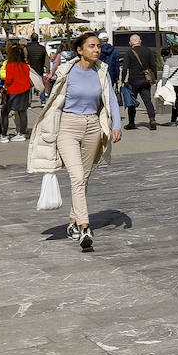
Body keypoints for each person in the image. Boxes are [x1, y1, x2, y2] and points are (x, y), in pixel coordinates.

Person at [28, 31, 123, 251]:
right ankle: (84, 227)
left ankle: (72, 221)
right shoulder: (66, 70)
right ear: (79, 50)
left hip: (92, 126)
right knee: (77, 176)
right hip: (67, 127)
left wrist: (116, 125)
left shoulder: (102, 70)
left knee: (85, 177)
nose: (96, 50)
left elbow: (110, 99)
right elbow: (51, 98)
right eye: (91, 46)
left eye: (98, 46)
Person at [121, 34, 159, 131]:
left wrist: (122, 80)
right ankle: (152, 119)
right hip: (145, 80)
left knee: (132, 102)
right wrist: (154, 78)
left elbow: (125, 68)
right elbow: (153, 65)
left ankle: (131, 123)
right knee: (147, 101)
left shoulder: (129, 53)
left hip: (133, 80)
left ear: (130, 43)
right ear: (140, 42)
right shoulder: (148, 51)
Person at [0, 42, 34, 142]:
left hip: (12, 91)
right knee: (22, 112)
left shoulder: (10, 65)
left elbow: (9, 79)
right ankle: (22, 133)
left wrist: (5, 86)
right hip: (25, 90)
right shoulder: (25, 66)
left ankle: (4, 135)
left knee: (5, 112)